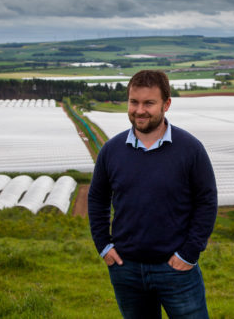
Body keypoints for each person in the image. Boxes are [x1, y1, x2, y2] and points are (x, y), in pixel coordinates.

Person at [88, 70, 218, 319]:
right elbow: (97, 198)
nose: (139, 110)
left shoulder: (190, 149)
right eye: (133, 102)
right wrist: (103, 245)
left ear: (166, 104)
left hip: (176, 269)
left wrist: (190, 252)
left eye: (149, 103)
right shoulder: (111, 150)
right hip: (126, 270)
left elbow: (207, 201)